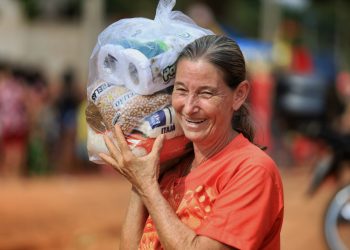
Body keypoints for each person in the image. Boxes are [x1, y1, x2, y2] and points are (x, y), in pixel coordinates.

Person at [99, 35, 284, 250]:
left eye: (205, 93)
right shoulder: (170, 166)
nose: (188, 107)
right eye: (181, 90)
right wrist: (140, 183)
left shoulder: (253, 170)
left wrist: (147, 187)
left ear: (239, 95)